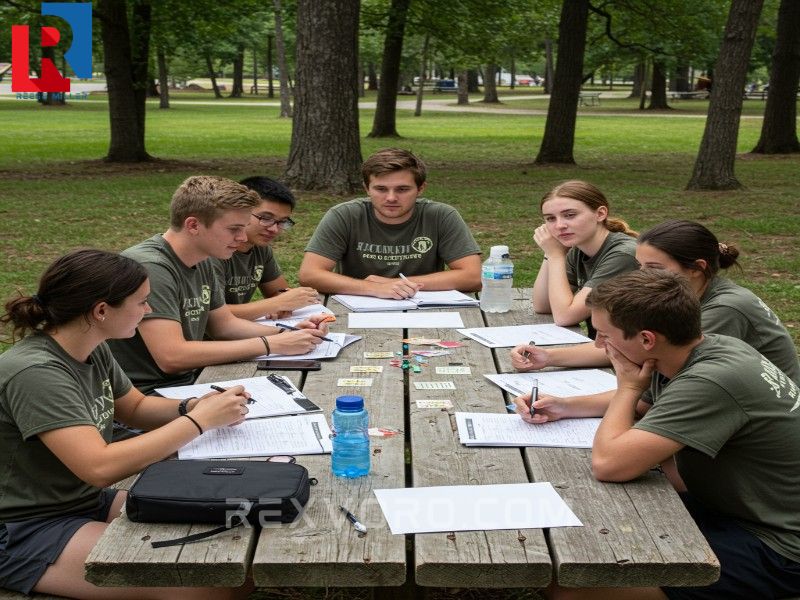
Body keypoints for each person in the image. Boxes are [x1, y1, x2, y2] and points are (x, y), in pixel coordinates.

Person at [0, 249, 251, 599]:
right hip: (24, 527)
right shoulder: (36, 373)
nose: (149, 310)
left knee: (234, 541)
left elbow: (135, 407)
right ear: (101, 311)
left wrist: (193, 405)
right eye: (142, 302)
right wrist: (198, 421)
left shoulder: (91, 346)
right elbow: (99, 466)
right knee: (209, 582)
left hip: (82, 501)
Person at [537, 269, 800, 600]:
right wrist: (564, 406)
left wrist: (628, 386)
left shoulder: (710, 381)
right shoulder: (704, 349)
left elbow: (609, 464)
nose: (600, 345)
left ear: (647, 339)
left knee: (569, 586)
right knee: (580, 523)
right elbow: (645, 408)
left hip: (778, 543)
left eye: (604, 335)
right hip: (735, 508)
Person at [511, 220, 800, 422]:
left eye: (654, 268)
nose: (642, 276)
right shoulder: (689, 297)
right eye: (640, 266)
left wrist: (566, 406)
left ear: (696, 268)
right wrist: (550, 357)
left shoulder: (723, 311)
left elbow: (647, 399)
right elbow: (628, 348)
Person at [108, 176, 329, 396]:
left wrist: (287, 332)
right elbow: (171, 357)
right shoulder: (151, 267)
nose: (242, 237)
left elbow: (224, 326)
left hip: (190, 381)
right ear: (193, 225)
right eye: (234, 229)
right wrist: (272, 344)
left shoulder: (201, 258)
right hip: (147, 395)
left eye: (243, 228)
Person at [297, 148, 482, 299]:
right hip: (358, 306)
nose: (391, 198)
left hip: (422, 306)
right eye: (381, 189)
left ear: (420, 189)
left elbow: (473, 276)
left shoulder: (441, 216)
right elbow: (309, 275)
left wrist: (396, 285)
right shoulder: (344, 215)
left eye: (402, 189)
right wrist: (374, 288)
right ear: (367, 188)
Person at [531, 180, 639, 338]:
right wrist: (550, 252)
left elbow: (565, 316)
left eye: (570, 215)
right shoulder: (578, 250)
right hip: (604, 345)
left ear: (600, 214)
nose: (559, 225)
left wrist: (555, 256)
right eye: (550, 218)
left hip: (633, 350)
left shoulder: (623, 255)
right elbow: (543, 305)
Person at [213, 176, 321, 320]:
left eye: (282, 222)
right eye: (266, 218)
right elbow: (212, 315)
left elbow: (279, 292)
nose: (274, 229)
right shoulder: (212, 251)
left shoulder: (260, 248)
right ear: (240, 211)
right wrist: (276, 304)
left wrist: (288, 299)